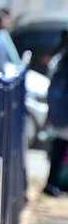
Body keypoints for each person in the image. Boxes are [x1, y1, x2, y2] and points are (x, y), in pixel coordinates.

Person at [43, 30, 68, 197]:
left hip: (59, 113)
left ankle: (52, 183)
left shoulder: (58, 59)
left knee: (57, 151)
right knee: (59, 151)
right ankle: (55, 183)